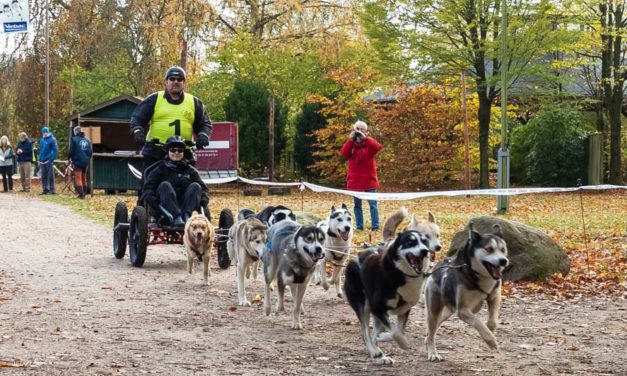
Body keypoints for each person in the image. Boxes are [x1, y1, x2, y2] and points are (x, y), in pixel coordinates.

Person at [129, 66, 213, 167]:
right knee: (150, 181)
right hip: (155, 152)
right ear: (166, 81)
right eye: (172, 79)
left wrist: (203, 135)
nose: (176, 81)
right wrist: (138, 132)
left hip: (183, 152)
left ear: (184, 83)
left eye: (179, 79)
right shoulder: (154, 99)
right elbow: (137, 118)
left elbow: (205, 123)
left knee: (192, 182)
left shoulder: (194, 102)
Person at [141, 136, 209, 226]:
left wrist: (203, 201)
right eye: (173, 150)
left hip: (187, 208)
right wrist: (155, 203)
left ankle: (186, 217)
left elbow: (204, 189)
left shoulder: (190, 170)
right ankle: (177, 217)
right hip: (164, 210)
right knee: (165, 185)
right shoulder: (160, 169)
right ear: (168, 152)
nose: (176, 153)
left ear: (183, 152)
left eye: (180, 150)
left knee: (196, 186)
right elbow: (147, 189)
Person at [340, 120, 382, 231]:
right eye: (357, 129)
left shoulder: (369, 143)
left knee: (373, 205)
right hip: (355, 181)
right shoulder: (352, 145)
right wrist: (350, 140)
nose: (359, 131)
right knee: (357, 206)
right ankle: (359, 226)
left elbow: (377, 147)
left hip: (369, 180)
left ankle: (375, 226)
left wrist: (365, 138)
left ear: (366, 131)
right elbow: (344, 153)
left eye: (362, 129)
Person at [68, 125, 93, 199]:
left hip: (78, 161)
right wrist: (87, 158)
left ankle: (81, 195)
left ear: (75, 132)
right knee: (83, 177)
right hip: (85, 162)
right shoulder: (88, 140)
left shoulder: (74, 139)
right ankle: (84, 194)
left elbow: (71, 151)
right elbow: (90, 152)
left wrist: (69, 158)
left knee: (78, 178)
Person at [38, 126, 58, 195]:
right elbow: (40, 150)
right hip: (42, 160)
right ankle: (45, 189)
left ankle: (52, 189)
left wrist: (51, 158)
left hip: (49, 160)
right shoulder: (42, 140)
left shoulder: (52, 139)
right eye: (44, 132)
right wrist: (39, 158)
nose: (45, 133)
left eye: (46, 132)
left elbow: (55, 150)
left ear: (48, 132)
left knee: (50, 175)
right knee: (43, 176)